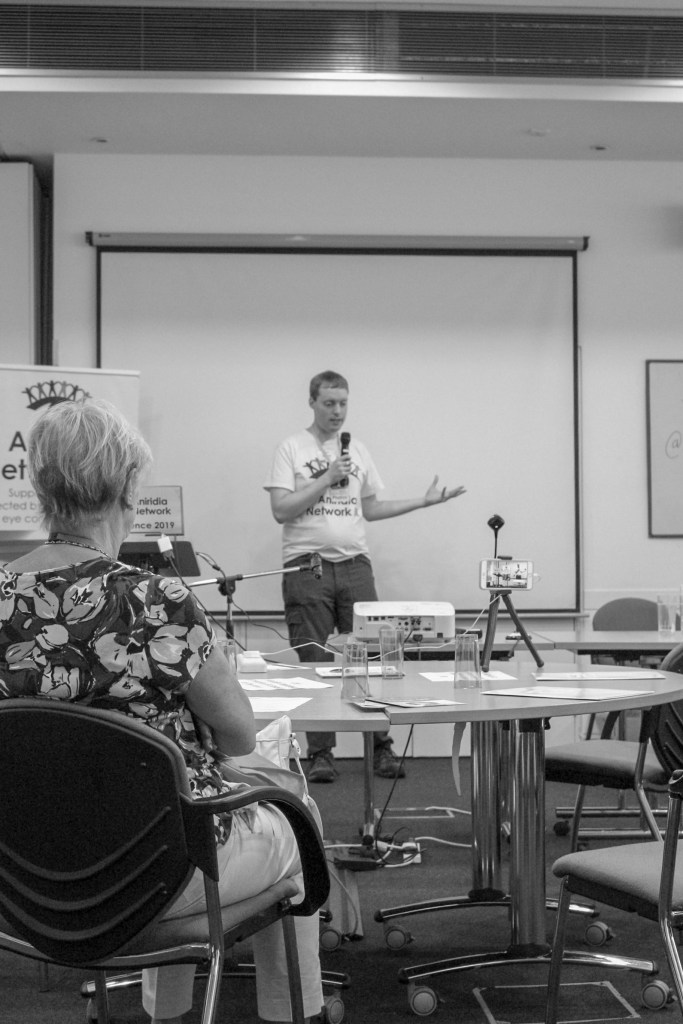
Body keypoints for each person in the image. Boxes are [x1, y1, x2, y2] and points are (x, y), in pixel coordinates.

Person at [0, 398, 323, 1024]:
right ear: (126, 487)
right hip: (163, 881)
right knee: (293, 810)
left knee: (153, 802)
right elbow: (236, 737)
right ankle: (293, 1013)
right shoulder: (158, 602)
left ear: (39, 488)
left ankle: (166, 1012)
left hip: (26, 878)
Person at [264, 370, 466, 784]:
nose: (337, 412)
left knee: (376, 657)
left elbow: (370, 508)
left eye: (343, 404)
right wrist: (325, 478)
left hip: (355, 565)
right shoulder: (291, 448)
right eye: (329, 403)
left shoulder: (358, 449)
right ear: (312, 403)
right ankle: (321, 754)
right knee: (315, 660)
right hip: (308, 567)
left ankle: (380, 748)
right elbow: (282, 510)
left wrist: (423, 503)